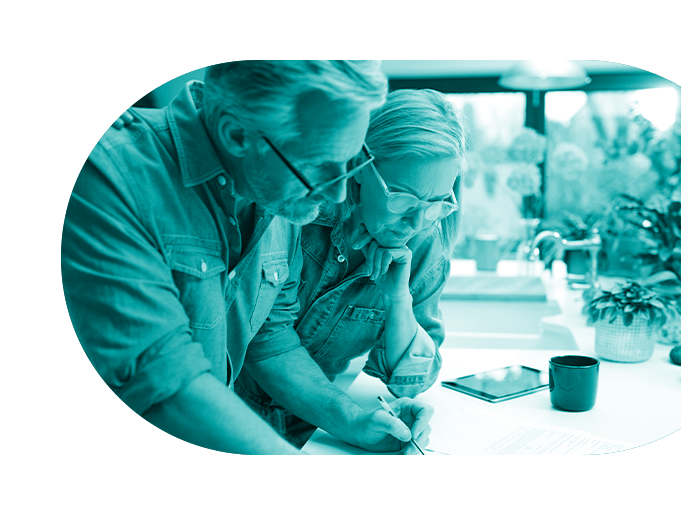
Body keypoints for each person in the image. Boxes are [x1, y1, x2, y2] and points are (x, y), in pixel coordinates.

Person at [62, 60, 433, 455]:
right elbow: (162, 380)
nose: (339, 195)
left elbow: (270, 340)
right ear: (236, 134)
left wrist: (350, 419)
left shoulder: (275, 190)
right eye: (320, 167)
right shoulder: (108, 174)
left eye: (350, 162)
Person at [234, 88, 467, 446]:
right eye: (402, 198)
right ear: (360, 166)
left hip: (314, 429)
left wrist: (397, 299)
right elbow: (265, 339)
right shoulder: (298, 210)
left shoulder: (425, 246)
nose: (417, 221)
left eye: (437, 203)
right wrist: (350, 419)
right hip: (230, 413)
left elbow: (410, 381)